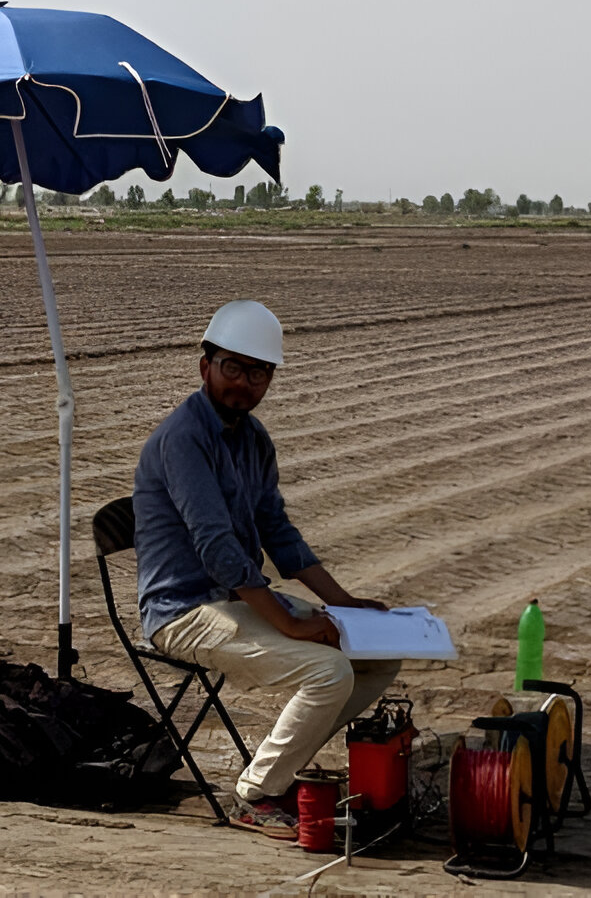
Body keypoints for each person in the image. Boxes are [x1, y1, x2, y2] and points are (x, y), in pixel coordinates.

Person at [133, 299, 402, 838]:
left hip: (234, 599)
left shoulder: (253, 441)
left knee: (379, 655)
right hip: (184, 610)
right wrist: (291, 624)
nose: (244, 383)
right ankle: (257, 795)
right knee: (329, 672)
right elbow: (217, 550)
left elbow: (278, 533)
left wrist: (344, 603)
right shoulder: (183, 438)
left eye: (259, 372)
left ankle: (276, 766)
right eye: (233, 367)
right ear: (204, 365)